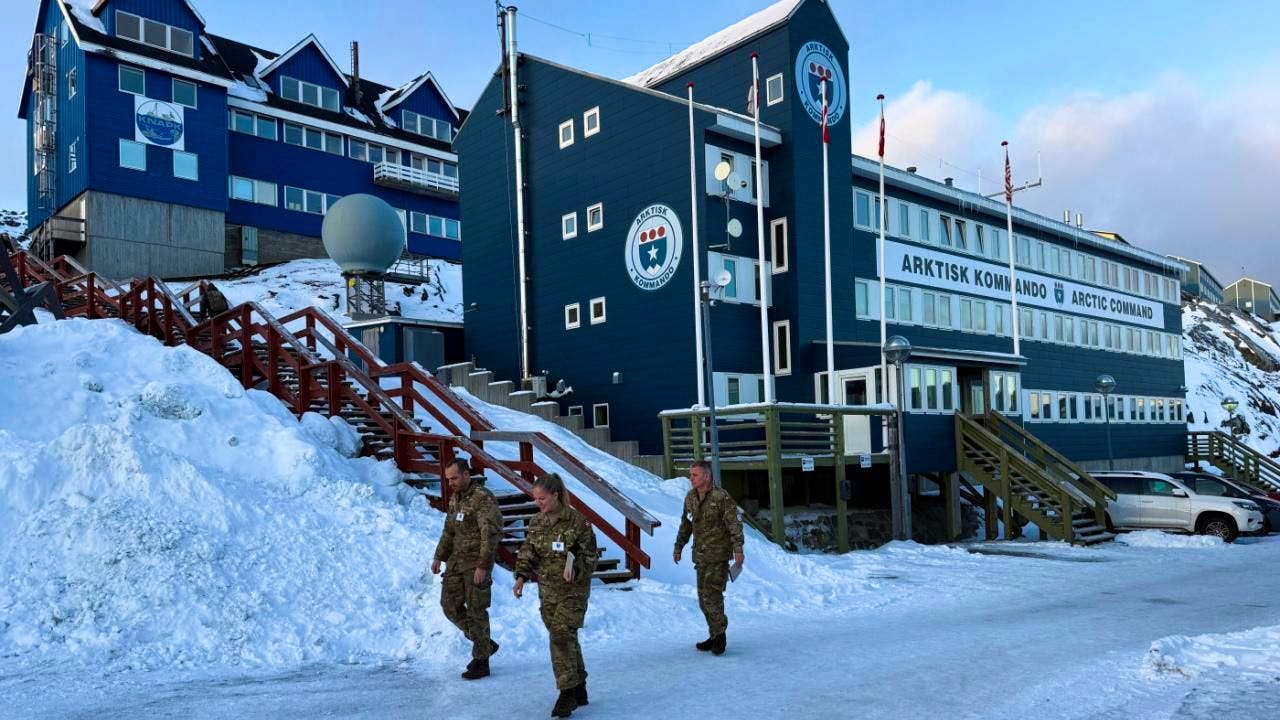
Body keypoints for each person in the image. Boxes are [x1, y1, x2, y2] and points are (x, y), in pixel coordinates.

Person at [513, 473, 597, 718]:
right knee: (565, 637)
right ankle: (579, 686)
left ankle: (566, 693)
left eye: (542, 498)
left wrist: (576, 568)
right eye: (535, 498)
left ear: (555, 495)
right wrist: (521, 576)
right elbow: (529, 552)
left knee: (560, 635)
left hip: (573, 591)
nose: (537, 503)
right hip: (548, 592)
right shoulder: (537, 522)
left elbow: (591, 557)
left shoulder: (578, 522)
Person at [431, 458, 503, 680]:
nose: (450, 483)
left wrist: (483, 565)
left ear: (466, 474)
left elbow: (490, 534)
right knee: (449, 605)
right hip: (456, 562)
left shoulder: (483, 498)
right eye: (448, 479)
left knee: (476, 610)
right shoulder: (456, 498)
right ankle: (484, 643)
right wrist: (439, 556)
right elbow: (449, 531)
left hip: (475, 564)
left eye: (454, 478)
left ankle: (481, 661)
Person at [673, 460, 744, 656]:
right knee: (703, 599)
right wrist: (678, 547)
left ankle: (720, 637)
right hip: (700, 556)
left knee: (712, 596)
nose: (691, 478)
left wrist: (738, 549)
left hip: (718, 555)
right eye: (691, 475)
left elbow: (734, 525)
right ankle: (714, 635)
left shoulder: (721, 497)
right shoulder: (690, 498)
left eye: (695, 475)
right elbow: (686, 525)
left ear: (706, 476)